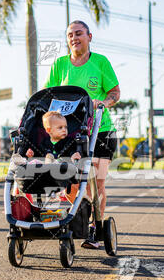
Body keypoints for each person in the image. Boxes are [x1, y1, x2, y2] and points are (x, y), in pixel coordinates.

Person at [44, 20, 121, 249]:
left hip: (101, 131)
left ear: (89, 36)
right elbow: (50, 96)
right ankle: (82, 218)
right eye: (69, 35)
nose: (74, 38)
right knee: (73, 185)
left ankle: (95, 230)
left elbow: (115, 92)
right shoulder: (59, 64)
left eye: (79, 33)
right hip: (70, 134)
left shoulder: (100, 62)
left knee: (96, 183)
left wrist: (103, 103)